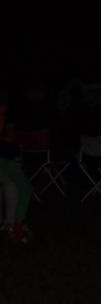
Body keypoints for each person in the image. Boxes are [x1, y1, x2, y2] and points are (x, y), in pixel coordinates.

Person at [0, 89, 33, 245]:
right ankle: (16, 226)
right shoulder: (5, 115)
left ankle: (11, 224)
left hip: (6, 159)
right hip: (5, 159)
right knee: (23, 187)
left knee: (10, 184)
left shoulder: (7, 116)